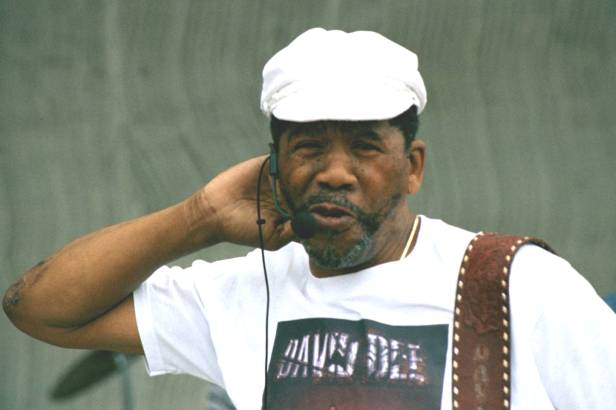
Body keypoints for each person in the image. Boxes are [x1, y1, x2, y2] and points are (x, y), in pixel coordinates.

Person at [3, 28, 616, 410]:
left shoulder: (515, 283)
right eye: (309, 147)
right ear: (273, 166)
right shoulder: (239, 292)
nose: (335, 172)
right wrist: (201, 217)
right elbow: (38, 308)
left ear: (412, 167)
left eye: (365, 147)